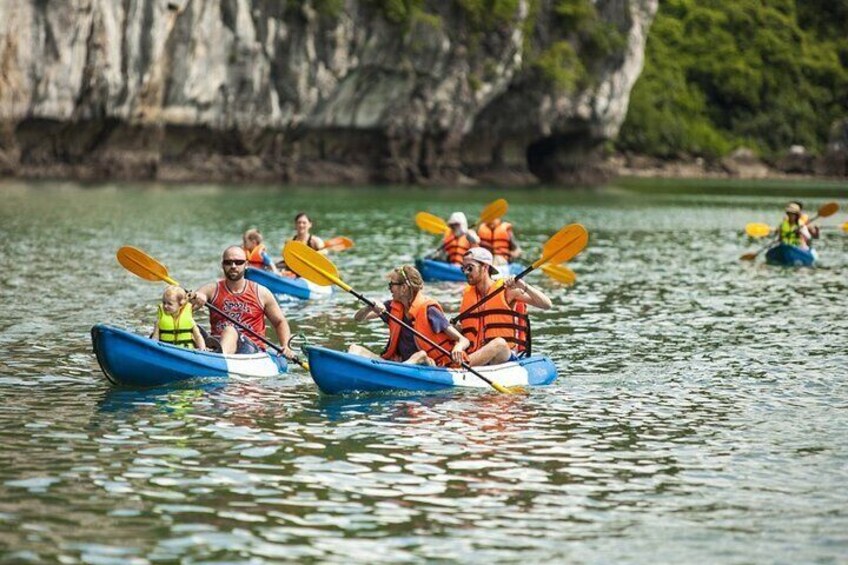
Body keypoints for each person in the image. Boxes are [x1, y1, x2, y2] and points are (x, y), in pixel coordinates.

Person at [348, 265, 470, 366]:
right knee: (355, 349)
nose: (389, 288)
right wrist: (370, 307)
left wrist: (458, 348)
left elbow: (463, 340)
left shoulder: (430, 311)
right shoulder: (391, 307)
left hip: (431, 365)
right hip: (401, 364)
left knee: (419, 355)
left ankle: (404, 368)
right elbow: (358, 318)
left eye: (392, 285)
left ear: (404, 288)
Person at [188, 246, 294, 357]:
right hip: (217, 343)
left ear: (246, 264)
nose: (233, 266)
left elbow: (280, 322)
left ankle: (219, 358)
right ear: (222, 265)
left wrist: (285, 346)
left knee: (230, 330)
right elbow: (195, 298)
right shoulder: (211, 289)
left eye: (238, 262)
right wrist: (196, 298)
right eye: (228, 262)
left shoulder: (262, 293)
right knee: (195, 328)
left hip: (252, 350)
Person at [456, 247, 551, 366]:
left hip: (504, 357)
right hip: (476, 354)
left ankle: (457, 367)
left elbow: (546, 304)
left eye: (470, 268)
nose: (465, 272)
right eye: (463, 268)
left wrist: (523, 286)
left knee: (499, 343)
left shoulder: (507, 290)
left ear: (485, 267)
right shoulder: (467, 294)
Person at [152, 285, 206, 350]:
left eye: (169, 304)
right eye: (164, 303)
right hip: (166, 350)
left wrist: (203, 349)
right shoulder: (160, 320)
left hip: (186, 351)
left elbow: (198, 336)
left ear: (181, 304)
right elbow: (155, 337)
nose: (165, 306)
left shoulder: (189, 318)